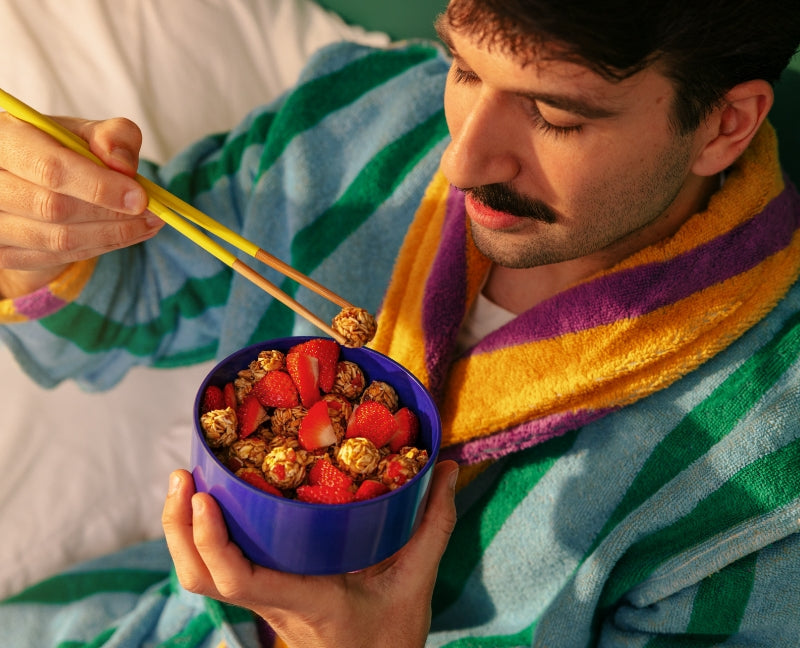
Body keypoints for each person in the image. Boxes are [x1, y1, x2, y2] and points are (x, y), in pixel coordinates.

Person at [1, 0, 799, 646]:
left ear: (724, 124)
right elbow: (135, 299)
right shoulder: (362, 124)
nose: (460, 159)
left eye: (554, 114)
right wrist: (42, 232)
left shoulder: (765, 480)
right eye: (460, 65)